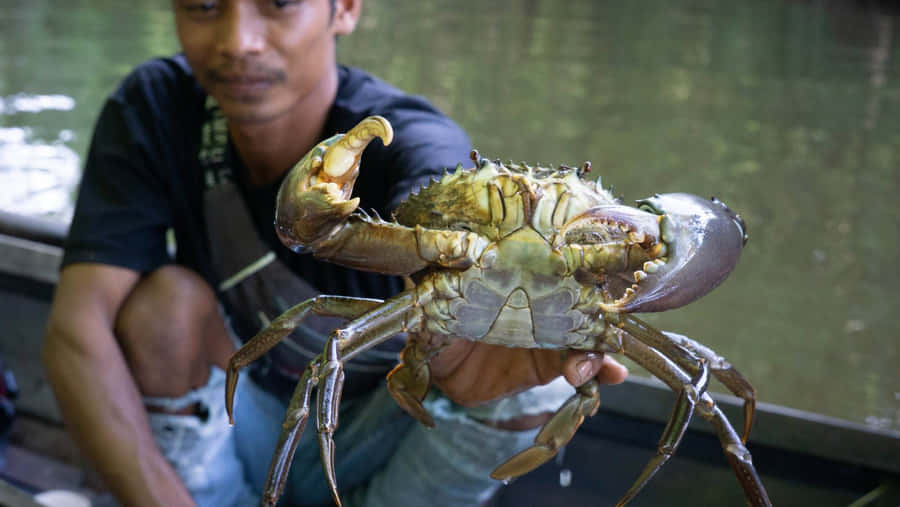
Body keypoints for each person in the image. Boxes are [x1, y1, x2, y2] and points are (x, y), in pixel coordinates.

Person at [41, 1, 628, 506]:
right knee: (161, 307)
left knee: (538, 365)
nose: (237, 40)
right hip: (240, 422)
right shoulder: (156, 107)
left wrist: (476, 323)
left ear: (343, 7)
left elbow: (436, 172)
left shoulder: (407, 136)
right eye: (201, 5)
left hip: (390, 433)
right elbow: (76, 333)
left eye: (279, 2)